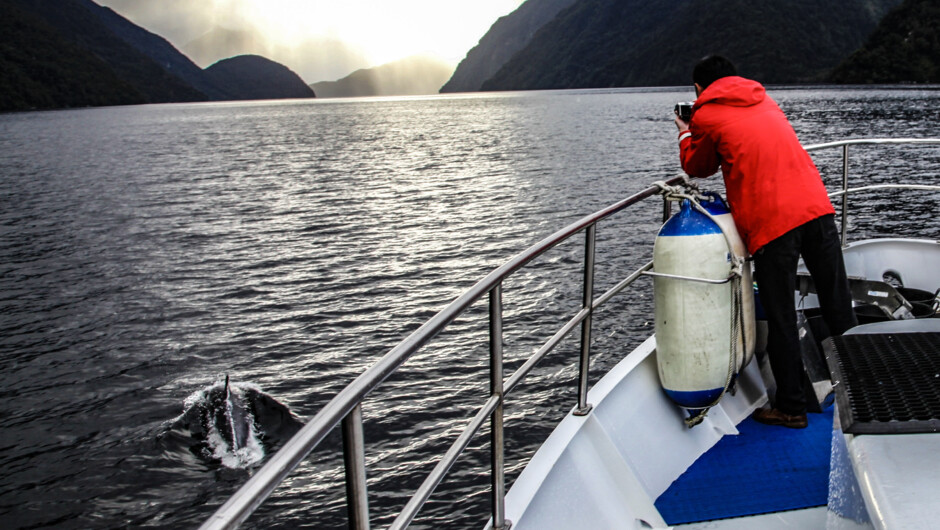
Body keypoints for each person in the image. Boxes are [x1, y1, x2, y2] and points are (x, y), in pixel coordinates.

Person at [674, 55, 857, 428]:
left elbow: (698, 165)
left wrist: (684, 130)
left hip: (774, 224)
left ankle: (791, 408)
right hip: (815, 208)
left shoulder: (705, 116)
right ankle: (863, 382)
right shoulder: (763, 98)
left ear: (698, 89)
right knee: (837, 300)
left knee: (781, 317)